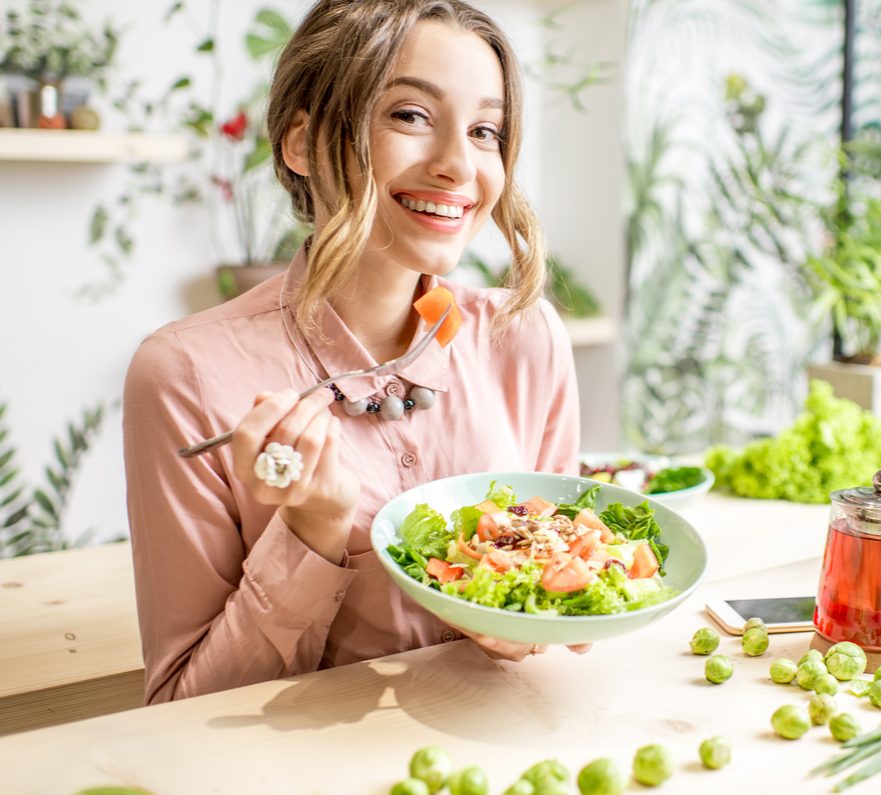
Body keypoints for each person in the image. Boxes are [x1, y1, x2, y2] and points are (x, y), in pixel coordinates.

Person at [122, 0, 583, 705]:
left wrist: (534, 611)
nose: (459, 165)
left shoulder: (525, 337)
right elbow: (181, 709)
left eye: (485, 130)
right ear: (302, 142)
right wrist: (310, 530)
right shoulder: (184, 376)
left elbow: (576, 603)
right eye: (410, 115)